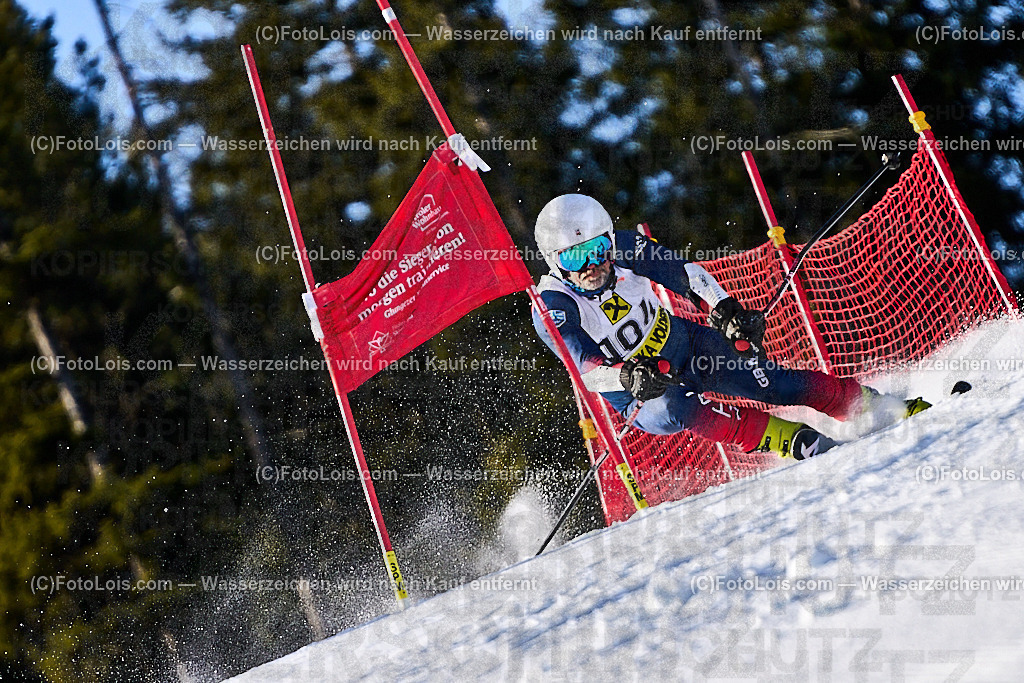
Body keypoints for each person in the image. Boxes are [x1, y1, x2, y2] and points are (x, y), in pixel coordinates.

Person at [530, 194, 926, 460]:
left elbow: (683, 274)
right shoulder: (553, 306)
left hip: (686, 345)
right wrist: (627, 376)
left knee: (773, 382)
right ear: (553, 260)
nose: (592, 265)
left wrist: (724, 308)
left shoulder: (626, 249)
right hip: (641, 393)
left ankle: (878, 406)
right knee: (678, 406)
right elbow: (587, 372)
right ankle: (791, 440)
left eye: (597, 249)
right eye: (575, 258)